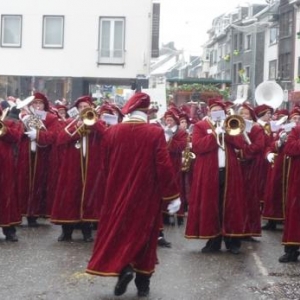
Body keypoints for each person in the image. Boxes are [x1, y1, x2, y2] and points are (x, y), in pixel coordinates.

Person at [86, 92, 180, 297]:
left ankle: (124, 268)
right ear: (147, 112)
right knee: (145, 235)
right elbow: (163, 166)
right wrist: (172, 195)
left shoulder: (112, 132)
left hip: (116, 193)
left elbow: (105, 165)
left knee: (119, 232)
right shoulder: (154, 133)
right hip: (146, 193)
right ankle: (143, 283)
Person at [185, 98, 247, 254]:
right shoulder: (200, 126)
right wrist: (214, 134)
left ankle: (232, 240)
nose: (217, 113)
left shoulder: (230, 124)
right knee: (211, 205)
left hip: (229, 170)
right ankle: (213, 240)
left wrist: (226, 132)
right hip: (209, 172)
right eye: (214, 110)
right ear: (209, 112)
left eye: (220, 110)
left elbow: (240, 144)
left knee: (231, 205)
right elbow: (198, 147)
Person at [51, 96, 106, 242]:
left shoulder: (96, 122)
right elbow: (61, 139)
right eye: (81, 107)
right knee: (69, 196)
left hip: (91, 165)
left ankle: (87, 232)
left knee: (89, 196)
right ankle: (66, 231)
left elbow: (105, 134)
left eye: (86, 106)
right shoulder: (70, 122)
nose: (83, 109)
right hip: (72, 165)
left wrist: (92, 124)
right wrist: (78, 128)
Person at [17, 92, 61, 227]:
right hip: (26, 153)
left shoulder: (51, 118)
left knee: (39, 184)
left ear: (44, 105)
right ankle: (22, 211)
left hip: (43, 155)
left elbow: (54, 136)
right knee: (23, 183)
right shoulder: (24, 116)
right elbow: (18, 134)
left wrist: (38, 134)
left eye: (40, 103)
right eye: (34, 103)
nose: (37, 106)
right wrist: (24, 128)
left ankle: (35, 214)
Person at [278, 107, 300, 262]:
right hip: (298, 180)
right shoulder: (296, 130)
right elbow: (289, 149)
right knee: (295, 213)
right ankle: (291, 250)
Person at [0, 106, 23, 241]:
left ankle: (9, 230)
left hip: (5, 165)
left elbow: (16, 136)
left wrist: (4, 130)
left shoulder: (9, 122)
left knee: (6, 196)